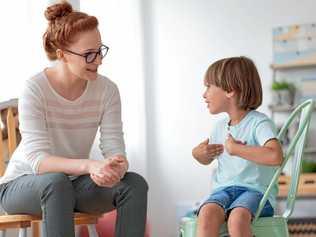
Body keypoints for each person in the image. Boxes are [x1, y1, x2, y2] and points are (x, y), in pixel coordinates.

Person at [0, 2, 148, 237]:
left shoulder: (107, 90)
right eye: (89, 54)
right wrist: (90, 166)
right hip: (23, 185)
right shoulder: (35, 89)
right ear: (62, 55)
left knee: (134, 184)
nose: (98, 60)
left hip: (72, 185)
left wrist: (115, 167)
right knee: (55, 183)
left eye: (100, 51)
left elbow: (114, 147)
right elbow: (39, 161)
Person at [192, 56, 283, 237]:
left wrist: (237, 149)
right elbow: (204, 158)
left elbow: (275, 156)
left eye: (209, 86)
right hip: (222, 191)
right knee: (206, 213)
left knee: (237, 218)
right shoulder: (219, 126)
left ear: (230, 90)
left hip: (256, 192)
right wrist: (200, 153)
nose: (204, 94)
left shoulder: (259, 123)